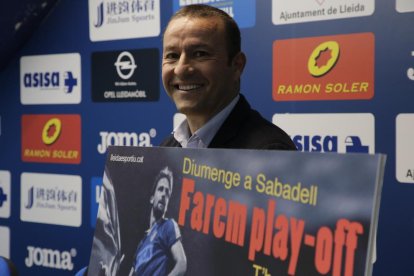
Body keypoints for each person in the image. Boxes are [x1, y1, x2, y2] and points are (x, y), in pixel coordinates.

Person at [160, 4, 296, 150]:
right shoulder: (167, 148)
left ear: (237, 65)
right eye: (172, 56)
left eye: (200, 54)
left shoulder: (269, 151)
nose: (180, 70)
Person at [130, 167, 187, 276]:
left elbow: (182, 263)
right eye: (160, 189)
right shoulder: (141, 244)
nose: (164, 194)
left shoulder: (168, 226)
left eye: (167, 192)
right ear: (152, 198)